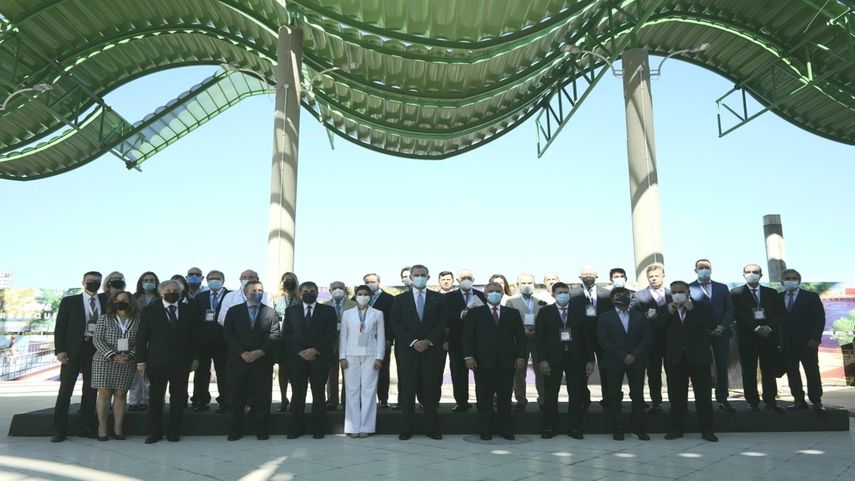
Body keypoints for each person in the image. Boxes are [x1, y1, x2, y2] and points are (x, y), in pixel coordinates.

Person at [652, 281, 718, 442]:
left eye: (681, 291)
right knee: (676, 396)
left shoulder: (702, 306)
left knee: (703, 395)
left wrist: (693, 311)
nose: (677, 294)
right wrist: (667, 313)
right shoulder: (665, 308)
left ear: (688, 292)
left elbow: (711, 324)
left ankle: (707, 429)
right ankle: (676, 428)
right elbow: (656, 328)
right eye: (674, 292)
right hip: (675, 358)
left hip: (699, 357)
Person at [136, 280, 200, 444]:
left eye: (175, 290)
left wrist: (195, 358)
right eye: (168, 290)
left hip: (182, 361)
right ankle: (154, 432)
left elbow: (196, 336)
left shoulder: (189, 309)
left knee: (178, 398)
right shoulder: (150, 310)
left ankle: (173, 431)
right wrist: (140, 361)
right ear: (161, 292)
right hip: (156, 361)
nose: (172, 292)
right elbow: (142, 337)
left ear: (180, 293)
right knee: (156, 398)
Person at [391, 264, 448, 440]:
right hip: (408, 351)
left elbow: (442, 322)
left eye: (423, 274)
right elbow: (396, 324)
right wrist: (414, 342)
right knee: (407, 391)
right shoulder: (400, 300)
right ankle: (406, 428)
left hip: (431, 350)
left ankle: (432, 428)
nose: (420, 277)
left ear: (428, 277)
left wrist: (428, 341)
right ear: (411, 277)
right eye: (416, 275)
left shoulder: (438, 298)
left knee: (430, 390)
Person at [463, 282, 526, 440]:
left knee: (505, 398)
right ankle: (485, 429)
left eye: (498, 291)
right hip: (482, 362)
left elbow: (520, 338)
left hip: (507, 362)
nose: (494, 293)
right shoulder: (475, 313)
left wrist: (520, 356)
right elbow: (468, 337)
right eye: (491, 291)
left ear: (502, 293)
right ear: (485, 294)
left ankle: (505, 429)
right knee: (484, 398)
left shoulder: (512, 313)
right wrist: (468, 356)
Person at [223, 280, 281, 441]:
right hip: (238, 360)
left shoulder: (270, 312)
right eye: (254, 290)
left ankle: (262, 429)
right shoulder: (234, 311)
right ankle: (235, 429)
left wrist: (261, 351)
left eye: (260, 290)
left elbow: (275, 334)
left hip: (262, 360)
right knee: (236, 396)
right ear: (245, 293)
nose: (258, 293)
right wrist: (242, 352)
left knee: (262, 397)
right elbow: (228, 334)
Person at [536, 282, 593, 439]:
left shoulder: (580, 312)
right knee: (550, 394)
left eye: (566, 293)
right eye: (560, 293)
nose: (563, 295)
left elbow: (587, 337)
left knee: (576, 394)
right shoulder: (545, 312)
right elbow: (540, 339)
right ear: (553, 294)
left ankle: (575, 427)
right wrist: (542, 360)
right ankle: (549, 427)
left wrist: (590, 359)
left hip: (576, 357)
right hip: (553, 358)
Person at [51, 271, 104, 442]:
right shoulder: (70, 301)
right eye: (90, 281)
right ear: (83, 282)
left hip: (95, 349)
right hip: (72, 350)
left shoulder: (105, 301)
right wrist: (60, 350)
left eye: (97, 281)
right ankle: (59, 430)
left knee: (90, 391)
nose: (93, 283)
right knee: (65, 390)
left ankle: (85, 428)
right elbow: (60, 327)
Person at [282, 281, 337, 439]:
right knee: (298, 394)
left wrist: (315, 350)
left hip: (319, 358)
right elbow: (287, 334)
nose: (309, 293)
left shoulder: (328, 310)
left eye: (312, 291)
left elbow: (330, 334)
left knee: (318, 394)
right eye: (305, 291)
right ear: (300, 292)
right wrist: (300, 351)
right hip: (297, 358)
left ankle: (318, 428)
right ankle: (295, 428)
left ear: (317, 293)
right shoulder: (291, 311)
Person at [597, 288, 652, 440]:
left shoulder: (640, 316)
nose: (622, 297)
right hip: (613, 361)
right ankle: (618, 427)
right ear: (612, 299)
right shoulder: (604, 317)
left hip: (637, 360)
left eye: (625, 295)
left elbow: (647, 338)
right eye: (618, 295)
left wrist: (634, 355)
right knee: (614, 395)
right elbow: (603, 340)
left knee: (638, 395)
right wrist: (622, 356)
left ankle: (638, 428)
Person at [731, 264, 785, 412]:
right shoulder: (736, 293)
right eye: (748, 272)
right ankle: (752, 401)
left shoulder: (771, 292)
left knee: (768, 369)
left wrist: (769, 327)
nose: (751, 274)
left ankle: (770, 400)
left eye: (755, 272)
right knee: (748, 370)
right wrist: (755, 328)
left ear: (761, 275)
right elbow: (737, 314)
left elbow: (778, 313)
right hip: (747, 336)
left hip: (769, 336)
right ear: (743, 275)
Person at [688, 259, 736, 413]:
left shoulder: (721, 287)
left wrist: (722, 326)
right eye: (700, 268)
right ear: (695, 270)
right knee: (702, 368)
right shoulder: (690, 288)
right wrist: (706, 329)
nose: (704, 270)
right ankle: (704, 400)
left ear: (711, 269)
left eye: (706, 267)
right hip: (701, 334)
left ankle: (723, 399)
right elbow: (690, 312)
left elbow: (729, 308)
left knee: (722, 366)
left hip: (721, 332)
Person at [91, 290, 139, 441]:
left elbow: (142, 341)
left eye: (124, 300)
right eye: (118, 300)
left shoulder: (138, 320)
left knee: (121, 394)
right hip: (104, 360)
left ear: (131, 303)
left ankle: (118, 428)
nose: (121, 303)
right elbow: (97, 340)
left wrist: (130, 355)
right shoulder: (104, 318)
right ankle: (102, 427)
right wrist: (113, 355)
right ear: (113, 303)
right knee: (104, 393)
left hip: (127, 361)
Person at [339, 285, 386, 437]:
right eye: (360, 294)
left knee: (369, 391)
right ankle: (352, 427)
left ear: (370, 296)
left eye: (366, 294)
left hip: (371, 354)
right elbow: (343, 337)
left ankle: (366, 427)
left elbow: (381, 337)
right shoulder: (347, 314)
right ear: (355, 295)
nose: (363, 296)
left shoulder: (378, 314)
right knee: (352, 391)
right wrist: (342, 357)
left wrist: (380, 357)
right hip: (351, 354)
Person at [779, 269, 826, 413]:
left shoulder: (810, 296)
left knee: (812, 371)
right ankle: (799, 400)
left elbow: (819, 319)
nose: (791, 280)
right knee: (792, 373)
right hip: (787, 342)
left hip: (807, 342)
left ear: (799, 280)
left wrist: (815, 338)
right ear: (782, 281)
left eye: (794, 278)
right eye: (787, 278)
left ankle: (816, 401)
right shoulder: (777, 297)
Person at [629, 264, 671, 414]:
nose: (653, 279)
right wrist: (646, 317)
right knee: (653, 373)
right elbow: (632, 314)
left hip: (670, 340)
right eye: (651, 277)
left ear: (663, 276)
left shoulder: (672, 294)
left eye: (656, 276)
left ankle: (675, 401)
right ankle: (656, 402)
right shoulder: (639, 296)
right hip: (651, 340)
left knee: (672, 371)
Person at [444, 269, 486, 413]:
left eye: (469, 277)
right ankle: (462, 402)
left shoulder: (482, 296)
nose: (466, 279)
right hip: (457, 341)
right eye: (463, 278)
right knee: (458, 373)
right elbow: (444, 316)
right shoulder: (449, 297)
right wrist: (461, 315)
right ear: (457, 280)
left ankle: (483, 402)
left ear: (474, 279)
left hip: (480, 341)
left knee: (481, 374)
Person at [570, 266, 612, 409]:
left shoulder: (606, 294)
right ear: (580, 276)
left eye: (591, 274)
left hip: (602, 335)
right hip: (581, 337)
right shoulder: (572, 294)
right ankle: (583, 400)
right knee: (582, 370)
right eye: (585, 274)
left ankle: (608, 398)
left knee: (606, 369)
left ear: (597, 276)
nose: (588, 276)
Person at [505, 273, 546, 411]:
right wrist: (524, 332)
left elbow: (545, 321)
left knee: (540, 370)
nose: (527, 286)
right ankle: (521, 400)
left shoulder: (541, 301)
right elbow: (510, 321)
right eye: (523, 283)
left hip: (538, 340)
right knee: (519, 372)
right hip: (519, 341)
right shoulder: (511, 302)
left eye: (529, 283)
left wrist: (536, 332)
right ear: (517, 285)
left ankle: (543, 400)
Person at [191, 270, 230, 413]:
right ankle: (200, 400)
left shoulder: (230, 296)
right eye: (211, 278)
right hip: (204, 341)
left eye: (217, 278)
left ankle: (226, 401)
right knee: (201, 372)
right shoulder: (200, 297)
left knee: (223, 372)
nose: (214, 281)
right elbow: (196, 320)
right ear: (206, 281)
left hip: (223, 340)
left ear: (223, 280)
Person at [363, 273, 396, 408]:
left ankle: (383, 399)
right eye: (367, 282)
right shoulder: (358, 297)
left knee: (382, 369)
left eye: (373, 281)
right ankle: (367, 399)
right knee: (365, 369)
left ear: (379, 282)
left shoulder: (389, 299)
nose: (370, 284)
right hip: (363, 339)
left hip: (382, 339)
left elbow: (392, 321)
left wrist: (389, 339)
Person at [130, 271, 159, 412]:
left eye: (152, 280)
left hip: (154, 338)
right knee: (136, 371)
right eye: (146, 280)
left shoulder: (160, 298)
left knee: (149, 373)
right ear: (141, 282)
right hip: (135, 336)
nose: (149, 282)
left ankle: (145, 400)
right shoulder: (133, 298)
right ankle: (134, 400)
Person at [324, 281, 355, 410]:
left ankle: (347, 401)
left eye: (340, 288)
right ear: (330, 291)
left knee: (349, 373)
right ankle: (332, 401)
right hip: (331, 344)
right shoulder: (325, 306)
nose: (337, 290)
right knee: (331, 373)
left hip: (349, 344)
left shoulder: (354, 305)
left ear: (345, 290)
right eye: (334, 288)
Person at [273, 271, 301, 412]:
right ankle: (284, 399)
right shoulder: (275, 299)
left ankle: (296, 399)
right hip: (280, 339)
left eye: (291, 279)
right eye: (286, 280)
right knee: (282, 371)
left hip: (295, 339)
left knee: (295, 371)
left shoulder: (300, 299)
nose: (288, 282)